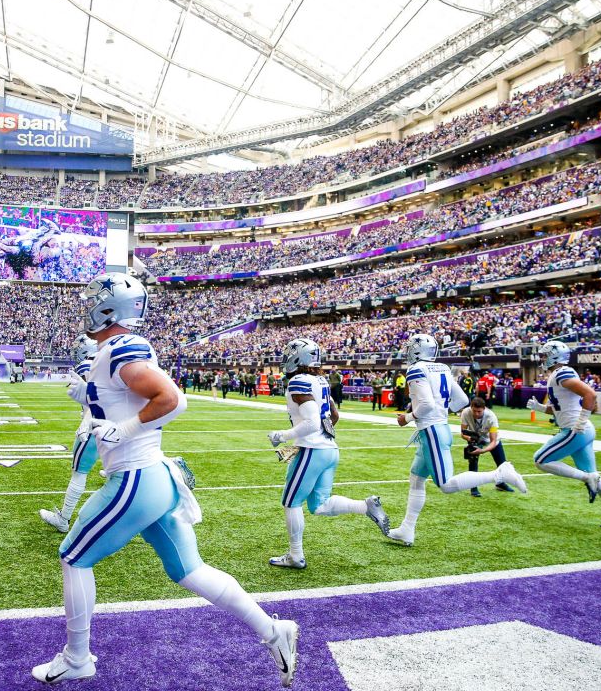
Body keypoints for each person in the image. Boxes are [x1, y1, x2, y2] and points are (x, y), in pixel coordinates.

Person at [34, 273, 299, 686]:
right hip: (152, 477)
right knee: (189, 570)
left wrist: (123, 430)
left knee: (73, 556)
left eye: (93, 297)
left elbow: (172, 399)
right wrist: (88, 394)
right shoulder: (112, 350)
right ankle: (273, 631)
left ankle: (77, 657)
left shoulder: (121, 347)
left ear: (109, 307)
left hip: (134, 478)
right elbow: (122, 397)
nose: (85, 303)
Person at [388, 334, 527, 546]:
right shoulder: (442, 368)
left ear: (417, 350)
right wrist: (442, 412)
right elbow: (462, 400)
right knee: (416, 478)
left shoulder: (416, 369)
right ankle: (407, 529)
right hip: (438, 428)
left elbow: (426, 405)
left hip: (431, 430)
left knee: (446, 485)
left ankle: (500, 473)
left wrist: (406, 418)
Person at [265, 339, 390, 569]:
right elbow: (334, 416)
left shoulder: (299, 381)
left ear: (298, 357)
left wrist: (282, 436)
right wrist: (312, 439)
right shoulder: (320, 380)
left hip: (313, 451)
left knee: (291, 502)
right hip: (329, 449)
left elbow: (312, 422)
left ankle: (295, 555)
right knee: (319, 505)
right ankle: (366, 506)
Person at [526, 341, 601, 529]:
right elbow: (562, 409)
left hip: (576, 430)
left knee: (540, 460)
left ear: (554, 356)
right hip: (577, 429)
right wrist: (541, 408)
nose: (542, 359)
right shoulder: (558, 375)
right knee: (593, 474)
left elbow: (590, 394)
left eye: (545, 355)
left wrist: (581, 422)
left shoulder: (562, 373)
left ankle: (586, 479)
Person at [40, 334, 99, 533]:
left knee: (79, 472)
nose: (75, 349)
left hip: (93, 426)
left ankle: (63, 518)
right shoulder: (105, 363)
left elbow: (95, 397)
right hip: (114, 425)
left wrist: (86, 419)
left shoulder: (86, 366)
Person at [458, 397, 516, 497]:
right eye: (474, 411)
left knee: (502, 464)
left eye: (479, 411)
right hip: (474, 438)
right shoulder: (465, 413)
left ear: (484, 409)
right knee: (473, 461)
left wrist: (483, 450)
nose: (476, 414)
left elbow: (493, 442)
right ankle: (473, 487)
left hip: (490, 440)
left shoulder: (491, 417)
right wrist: (469, 439)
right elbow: (462, 433)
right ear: (470, 407)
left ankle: (500, 483)